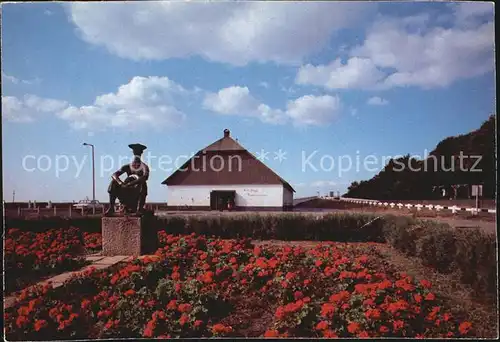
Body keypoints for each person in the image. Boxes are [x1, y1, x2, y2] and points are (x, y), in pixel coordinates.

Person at [105, 144, 150, 216]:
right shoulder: (127, 166)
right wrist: (120, 183)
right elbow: (114, 175)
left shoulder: (144, 167)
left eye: (138, 152)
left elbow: (145, 177)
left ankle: (139, 209)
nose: (136, 154)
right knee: (113, 182)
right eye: (135, 152)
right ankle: (111, 208)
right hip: (126, 191)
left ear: (141, 153)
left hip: (137, 192)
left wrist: (131, 183)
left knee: (143, 184)